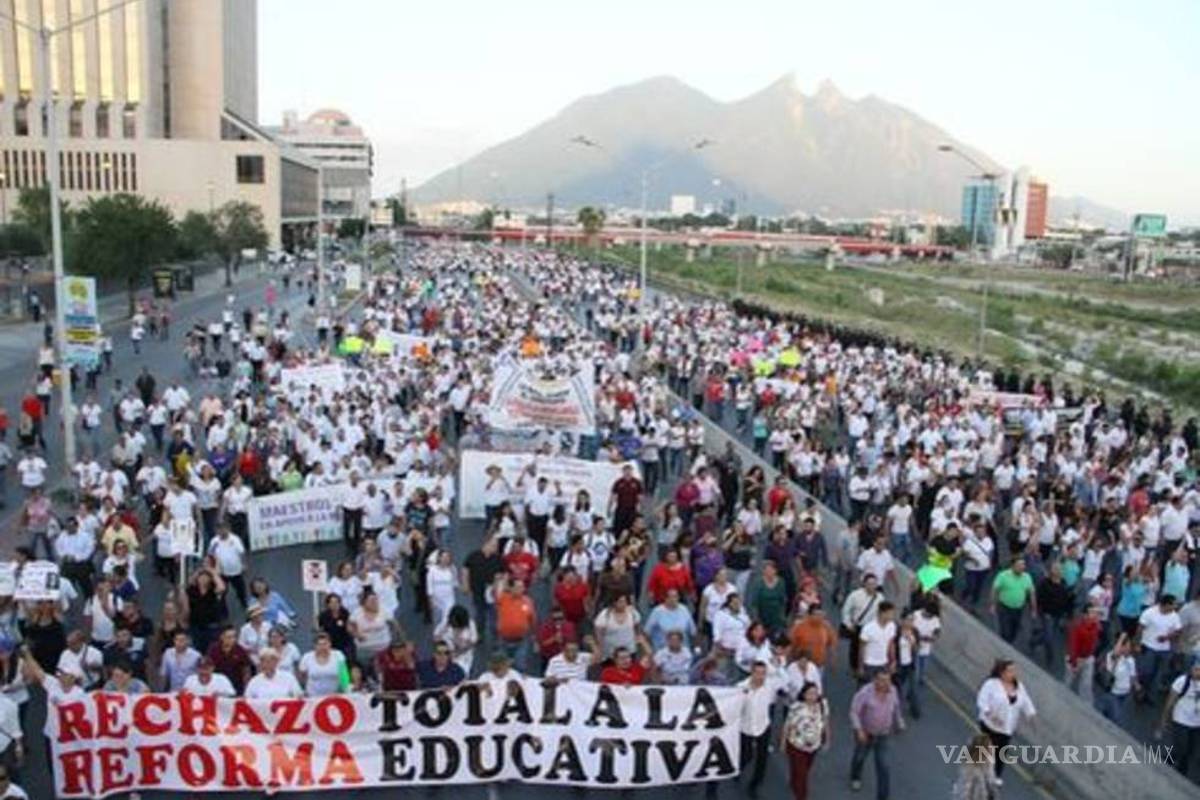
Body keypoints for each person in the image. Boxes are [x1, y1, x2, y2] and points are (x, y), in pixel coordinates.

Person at [975, 659, 1036, 785]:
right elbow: (982, 699)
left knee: (1001, 751)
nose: (1013, 673)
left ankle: (996, 775)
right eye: (1010, 671)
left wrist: (1030, 714)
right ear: (1002, 673)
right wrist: (990, 714)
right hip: (990, 725)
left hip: (1007, 726)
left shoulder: (1019, 686)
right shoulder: (991, 684)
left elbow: (1025, 701)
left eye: (1014, 670)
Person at [849, 670, 904, 799]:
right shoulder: (865, 693)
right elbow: (854, 712)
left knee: (884, 766)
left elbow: (896, 708)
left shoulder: (893, 691)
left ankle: (882, 797)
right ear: (875, 680)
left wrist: (899, 721)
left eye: (888, 680)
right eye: (882, 680)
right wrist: (859, 730)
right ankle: (855, 776)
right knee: (860, 757)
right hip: (866, 733)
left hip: (883, 735)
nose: (886, 683)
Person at [782, 681, 831, 800]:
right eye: (809, 693)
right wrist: (783, 743)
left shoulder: (822, 705)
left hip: (813, 746)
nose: (812, 696)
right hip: (796, 745)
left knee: (804, 770)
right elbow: (788, 725)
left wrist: (828, 740)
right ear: (804, 695)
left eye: (815, 693)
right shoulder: (796, 707)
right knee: (803, 776)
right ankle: (801, 796)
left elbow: (826, 723)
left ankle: (794, 781)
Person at [738, 661, 777, 797]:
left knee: (762, 759)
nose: (760, 677)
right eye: (758, 673)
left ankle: (754, 785)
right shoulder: (740, 688)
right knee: (746, 755)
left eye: (763, 673)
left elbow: (772, 701)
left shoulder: (769, 687)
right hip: (745, 728)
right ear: (752, 672)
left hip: (763, 727)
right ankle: (738, 769)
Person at [1157, 661, 1200, 777]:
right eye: (1196, 669)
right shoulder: (1182, 681)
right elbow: (1170, 702)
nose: (1197, 672)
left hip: (1196, 723)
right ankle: (1180, 769)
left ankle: (1169, 759)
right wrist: (1163, 722)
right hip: (1181, 719)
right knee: (1182, 746)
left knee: (1190, 750)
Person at [990, 557, 1037, 644]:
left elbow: (1031, 594)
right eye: (1019, 565)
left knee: (1014, 630)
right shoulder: (1003, 575)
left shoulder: (1027, 577)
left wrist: (1034, 609)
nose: (1022, 567)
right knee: (1005, 631)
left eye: (1023, 565)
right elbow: (995, 589)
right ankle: (1004, 647)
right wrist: (993, 604)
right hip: (1004, 607)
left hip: (1018, 609)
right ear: (1013, 566)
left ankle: (1008, 644)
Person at [950, 734, 1001, 800]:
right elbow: (966, 793)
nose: (993, 750)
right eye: (990, 748)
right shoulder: (972, 771)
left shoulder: (987, 766)